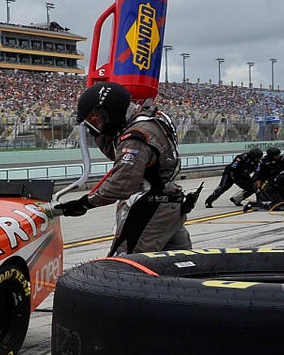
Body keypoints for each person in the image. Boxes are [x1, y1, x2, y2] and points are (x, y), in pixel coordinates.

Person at [53, 81, 194, 255]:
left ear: (108, 113)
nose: (97, 127)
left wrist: (85, 203)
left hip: (151, 209)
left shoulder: (136, 137)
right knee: (178, 266)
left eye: (96, 122)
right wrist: (98, 134)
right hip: (169, 205)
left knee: (124, 266)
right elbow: (120, 154)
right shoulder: (153, 117)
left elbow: (123, 183)